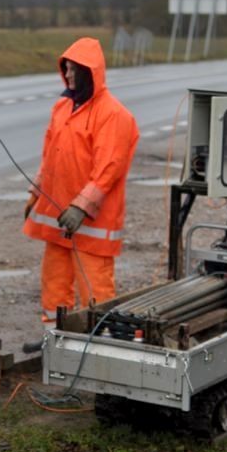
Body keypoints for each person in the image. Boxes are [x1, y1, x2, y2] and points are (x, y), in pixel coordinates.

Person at [22, 37, 139, 322]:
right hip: (58, 219)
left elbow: (108, 169)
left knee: (95, 290)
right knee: (54, 285)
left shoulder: (113, 115)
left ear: (91, 73)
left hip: (92, 226)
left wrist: (81, 207)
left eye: (75, 69)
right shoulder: (62, 108)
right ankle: (54, 337)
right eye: (67, 68)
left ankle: (97, 342)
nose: (69, 75)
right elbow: (50, 159)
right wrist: (35, 194)